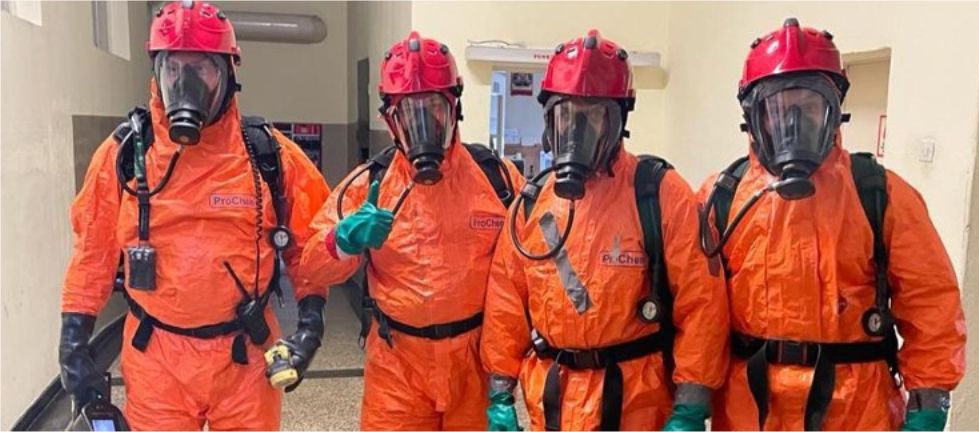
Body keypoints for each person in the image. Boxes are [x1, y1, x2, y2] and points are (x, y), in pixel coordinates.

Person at [58, 1, 330, 429]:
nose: (185, 82)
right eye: (173, 68)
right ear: (157, 72)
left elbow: (310, 249)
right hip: (157, 360)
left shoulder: (268, 155)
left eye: (202, 67)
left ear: (228, 74)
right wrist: (73, 346)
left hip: (245, 358)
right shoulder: (125, 155)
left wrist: (310, 327)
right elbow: (92, 255)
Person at [699, 18, 967, 432]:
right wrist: (690, 395)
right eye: (778, 109)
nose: (793, 123)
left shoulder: (880, 194)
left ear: (834, 110)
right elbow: (698, 311)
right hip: (749, 410)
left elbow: (932, 304)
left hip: (857, 412)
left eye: (809, 107)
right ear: (753, 117)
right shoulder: (722, 198)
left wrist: (929, 404)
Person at [480, 30, 729, 432]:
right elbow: (505, 301)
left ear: (618, 121)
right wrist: (499, 390)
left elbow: (702, 302)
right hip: (554, 403)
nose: (576, 131)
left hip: (637, 405)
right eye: (566, 116)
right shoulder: (531, 204)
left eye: (592, 116)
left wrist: (691, 402)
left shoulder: (659, 193)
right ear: (549, 121)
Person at [298, 32, 525, 431]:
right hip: (397, 367)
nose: (424, 125)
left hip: (475, 363)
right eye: (409, 112)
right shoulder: (369, 185)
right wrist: (343, 240)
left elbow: (526, 277)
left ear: (454, 108)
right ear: (391, 119)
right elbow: (311, 267)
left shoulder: (497, 180)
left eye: (434, 108)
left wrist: (507, 381)